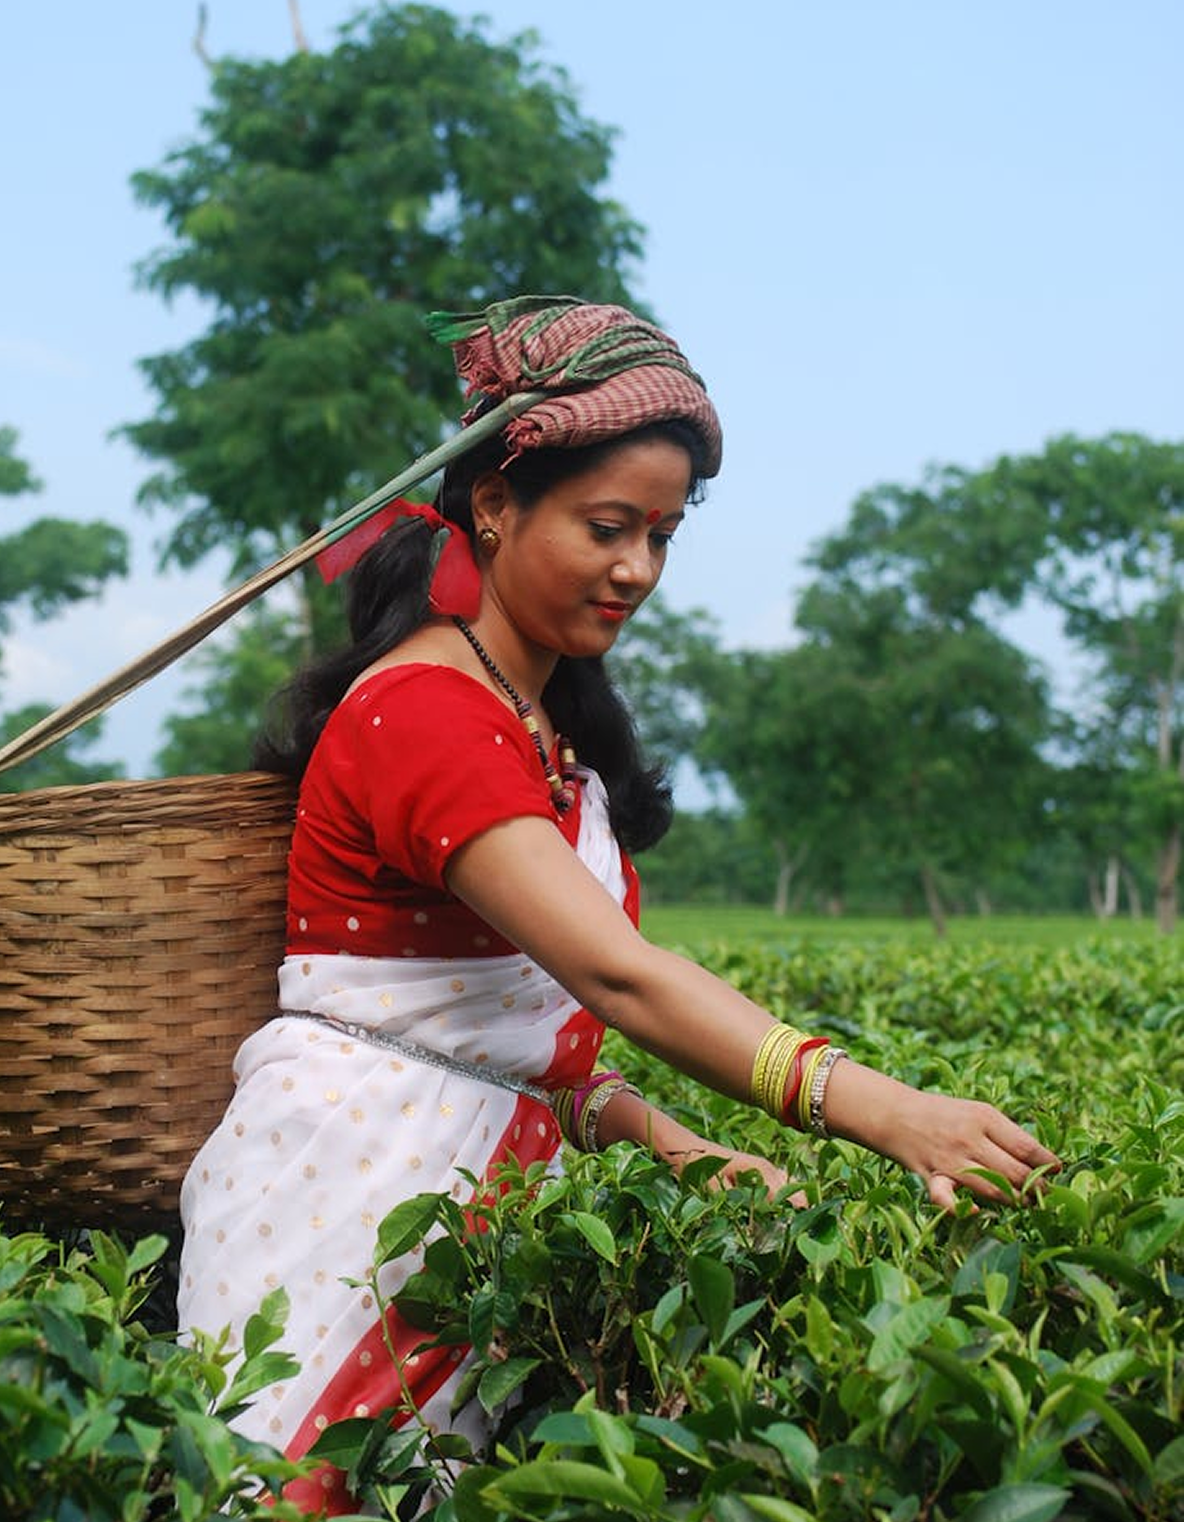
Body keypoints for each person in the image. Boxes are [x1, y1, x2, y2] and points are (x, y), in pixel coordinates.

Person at [177, 296, 1060, 1515]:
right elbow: (618, 977)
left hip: (482, 1218)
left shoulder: (542, 731)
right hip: (355, 1199)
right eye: (606, 527)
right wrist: (884, 1110)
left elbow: (529, 1050)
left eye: (661, 533)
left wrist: (689, 1150)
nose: (636, 568)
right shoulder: (423, 713)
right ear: (491, 505)